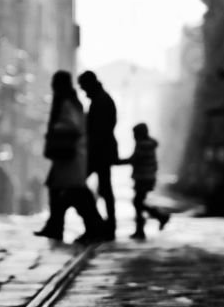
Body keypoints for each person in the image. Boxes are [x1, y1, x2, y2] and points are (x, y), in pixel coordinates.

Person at [34, 71, 105, 243]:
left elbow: (72, 126)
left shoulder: (67, 103)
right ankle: (57, 226)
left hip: (70, 154)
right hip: (67, 155)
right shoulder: (71, 101)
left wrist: (56, 130)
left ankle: (92, 227)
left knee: (74, 192)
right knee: (61, 189)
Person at [77, 71, 118, 240]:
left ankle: (98, 226)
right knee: (104, 188)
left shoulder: (101, 101)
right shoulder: (101, 99)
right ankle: (105, 226)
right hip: (101, 151)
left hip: (98, 152)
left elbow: (98, 130)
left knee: (79, 185)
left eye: (84, 88)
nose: (84, 92)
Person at [117, 123, 170, 240]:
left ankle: (159, 217)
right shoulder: (149, 144)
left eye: (134, 134)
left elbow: (134, 159)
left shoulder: (142, 145)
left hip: (143, 178)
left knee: (137, 202)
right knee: (138, 203)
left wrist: (117, 162)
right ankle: (141, 229)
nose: (133, 136)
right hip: (148, 177)